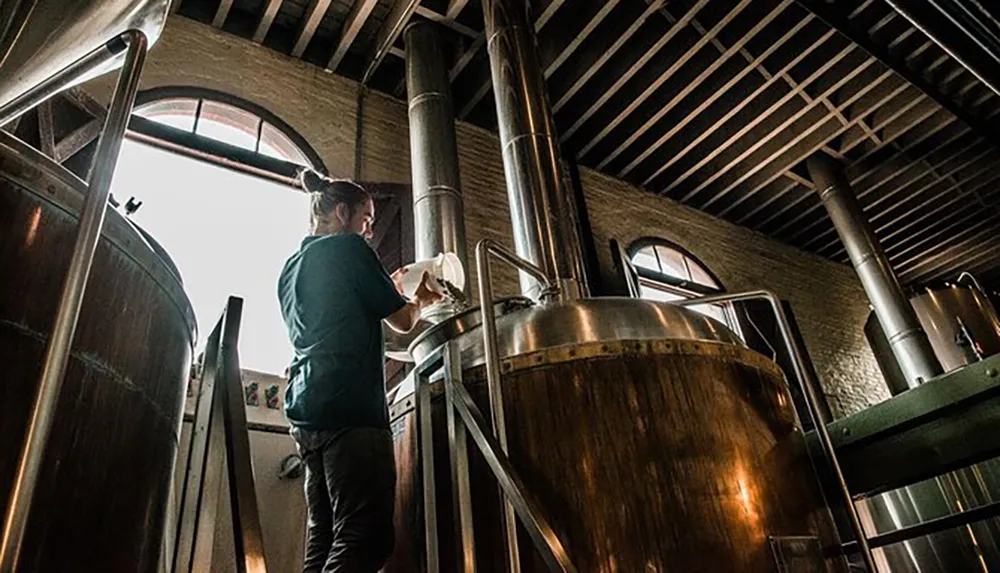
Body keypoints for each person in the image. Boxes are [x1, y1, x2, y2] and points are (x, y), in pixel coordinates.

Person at [278, 169, 442, 573]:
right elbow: (402, 322)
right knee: (365, 537)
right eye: (366, 219)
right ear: (341, 211)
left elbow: (338, 316)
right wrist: (420, 298)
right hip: (350, 409)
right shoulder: (349, 249)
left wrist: (388, 285)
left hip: (306, 412)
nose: (369, 230)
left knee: (325, 536)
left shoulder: (290, 268)